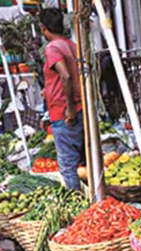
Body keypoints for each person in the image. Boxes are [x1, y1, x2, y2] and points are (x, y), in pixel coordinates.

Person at [38, 8, 85, 190]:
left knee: (68, 166)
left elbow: (65, 76)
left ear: (43, 28)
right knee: (82, 162)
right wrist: (48, 89)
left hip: (65, 112)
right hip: (80, 108)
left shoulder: (53, 48)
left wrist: (70, 108)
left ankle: (77, 208)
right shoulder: (71, 44)